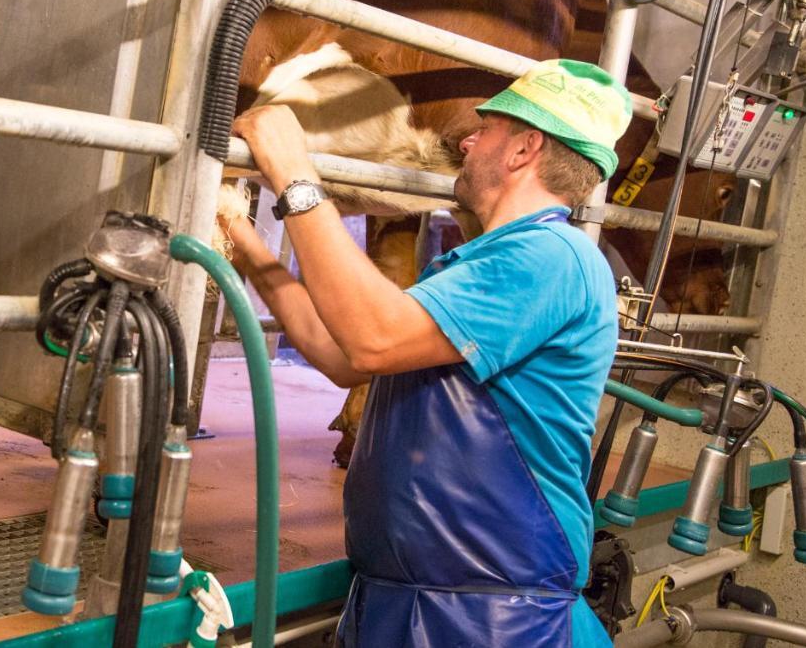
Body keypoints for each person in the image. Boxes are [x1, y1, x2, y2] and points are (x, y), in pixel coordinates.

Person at [221, 59, 632, 646]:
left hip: (496, 620)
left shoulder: (550, 257)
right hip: (404, 601)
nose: (467, 140)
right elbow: (342, 355)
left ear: (524, 149)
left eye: (484, 130)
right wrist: (241, 237)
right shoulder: (475, 266)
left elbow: (373, 338)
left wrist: (294, 170)